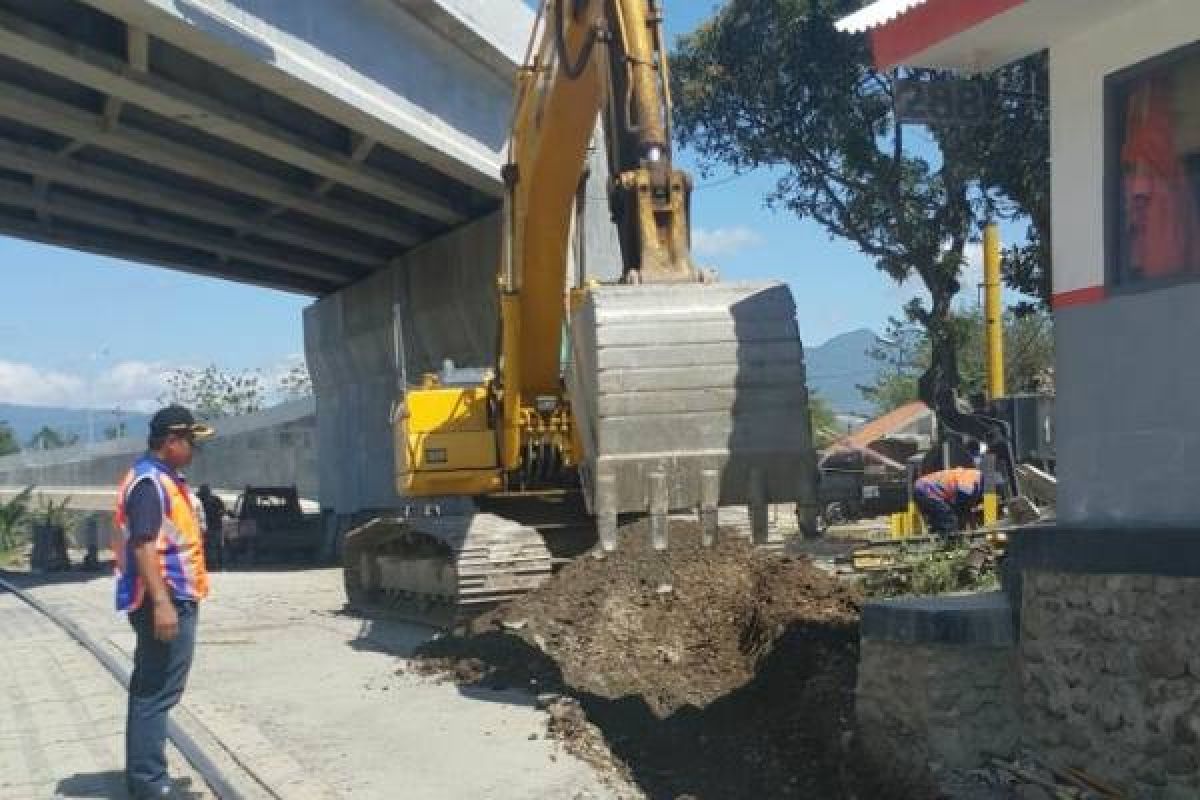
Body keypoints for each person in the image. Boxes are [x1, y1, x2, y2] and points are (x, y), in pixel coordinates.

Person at [113, 405, 214, 799]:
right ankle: (150, 785)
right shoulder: (150, 484)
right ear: (171, 441)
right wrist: (162, 604)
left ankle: (145, 778)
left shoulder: (161, 479)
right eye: (190, 442)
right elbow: (142, 545)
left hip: (172, 596)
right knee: (156, 693)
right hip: (165, 599)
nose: (193, 450)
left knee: (152, 690)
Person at [912, 466, 983, 537]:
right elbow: (962, 508)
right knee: (949, 519)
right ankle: (951, 544)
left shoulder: (973, 476)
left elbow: (966, 507)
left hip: (922, 489)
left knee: (939, 522)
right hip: (926, 490)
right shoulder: (971, 481)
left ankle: (940, 542)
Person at [196, 485, 226, 571]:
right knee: (209, 547)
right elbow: (222, 511)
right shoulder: (198, 499)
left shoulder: (214, 500)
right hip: (205, 528)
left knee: (215, 547)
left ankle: (218, 565)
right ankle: (215, 566)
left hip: (213, 528)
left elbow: (222, 511)